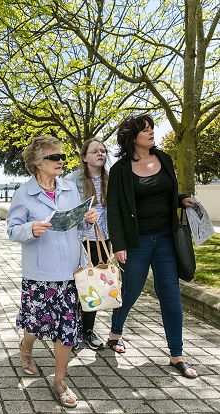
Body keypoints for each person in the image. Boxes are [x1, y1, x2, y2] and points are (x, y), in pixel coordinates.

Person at [6, 136, 98, 408]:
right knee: (35, 326)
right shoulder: (24, 193)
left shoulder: (70, 188)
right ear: (37, 163)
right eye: (53, 157)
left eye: (61, 157)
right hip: (39, 274)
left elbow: (79, 228)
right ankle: (26, 347)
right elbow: (12, 230)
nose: (60, 161)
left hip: (71, 272)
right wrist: (30, 229)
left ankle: (60, 380)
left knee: (66, 330)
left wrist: (88, 220)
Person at [106, 114, 198, 378]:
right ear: (132, 137)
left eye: (151, 129)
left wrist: (181, 200)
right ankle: (115, 333)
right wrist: (119, 244)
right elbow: (114, 209)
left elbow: (167, 191)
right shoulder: (121, 169)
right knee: (131, 291)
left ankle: (176, 354)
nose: (151, 133)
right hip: (137, 242)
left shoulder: (165, 159)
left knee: (170, 294)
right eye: (145, 130)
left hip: (166, 239)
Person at [65, 138, 110, 350]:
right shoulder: (71, 181)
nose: (100, 154)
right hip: (79, 241)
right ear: (84, 157)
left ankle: (88, 331)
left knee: (95, 288)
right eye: (95, 151)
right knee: (77, 287)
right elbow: (66, 212)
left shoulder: (112, 179)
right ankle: (72, 331)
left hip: (102, 241)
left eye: (103, 150)